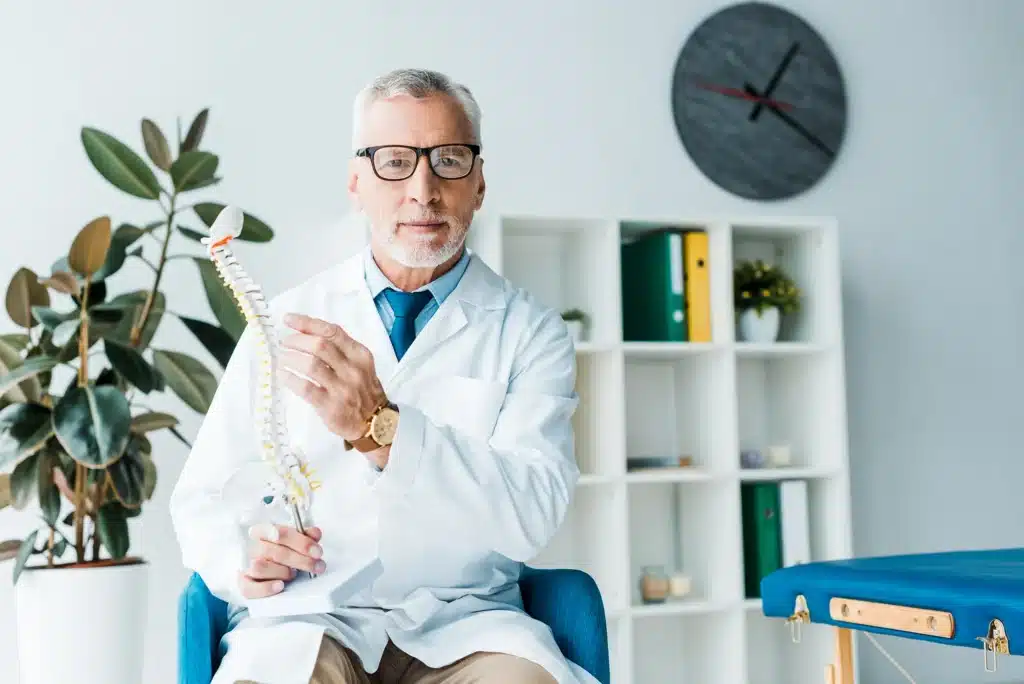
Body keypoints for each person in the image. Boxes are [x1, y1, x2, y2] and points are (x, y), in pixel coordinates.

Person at [169, 68, 595, 684]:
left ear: (478, 183)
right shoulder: (285, 321)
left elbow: (532, 514)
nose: (422, 189)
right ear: (355, 182)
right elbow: (202, 497)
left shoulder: (530, 334)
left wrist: (383, 429)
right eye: (394, 161)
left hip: (465, 621)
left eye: (449, 160)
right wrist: (244, 556)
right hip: (310, 615)